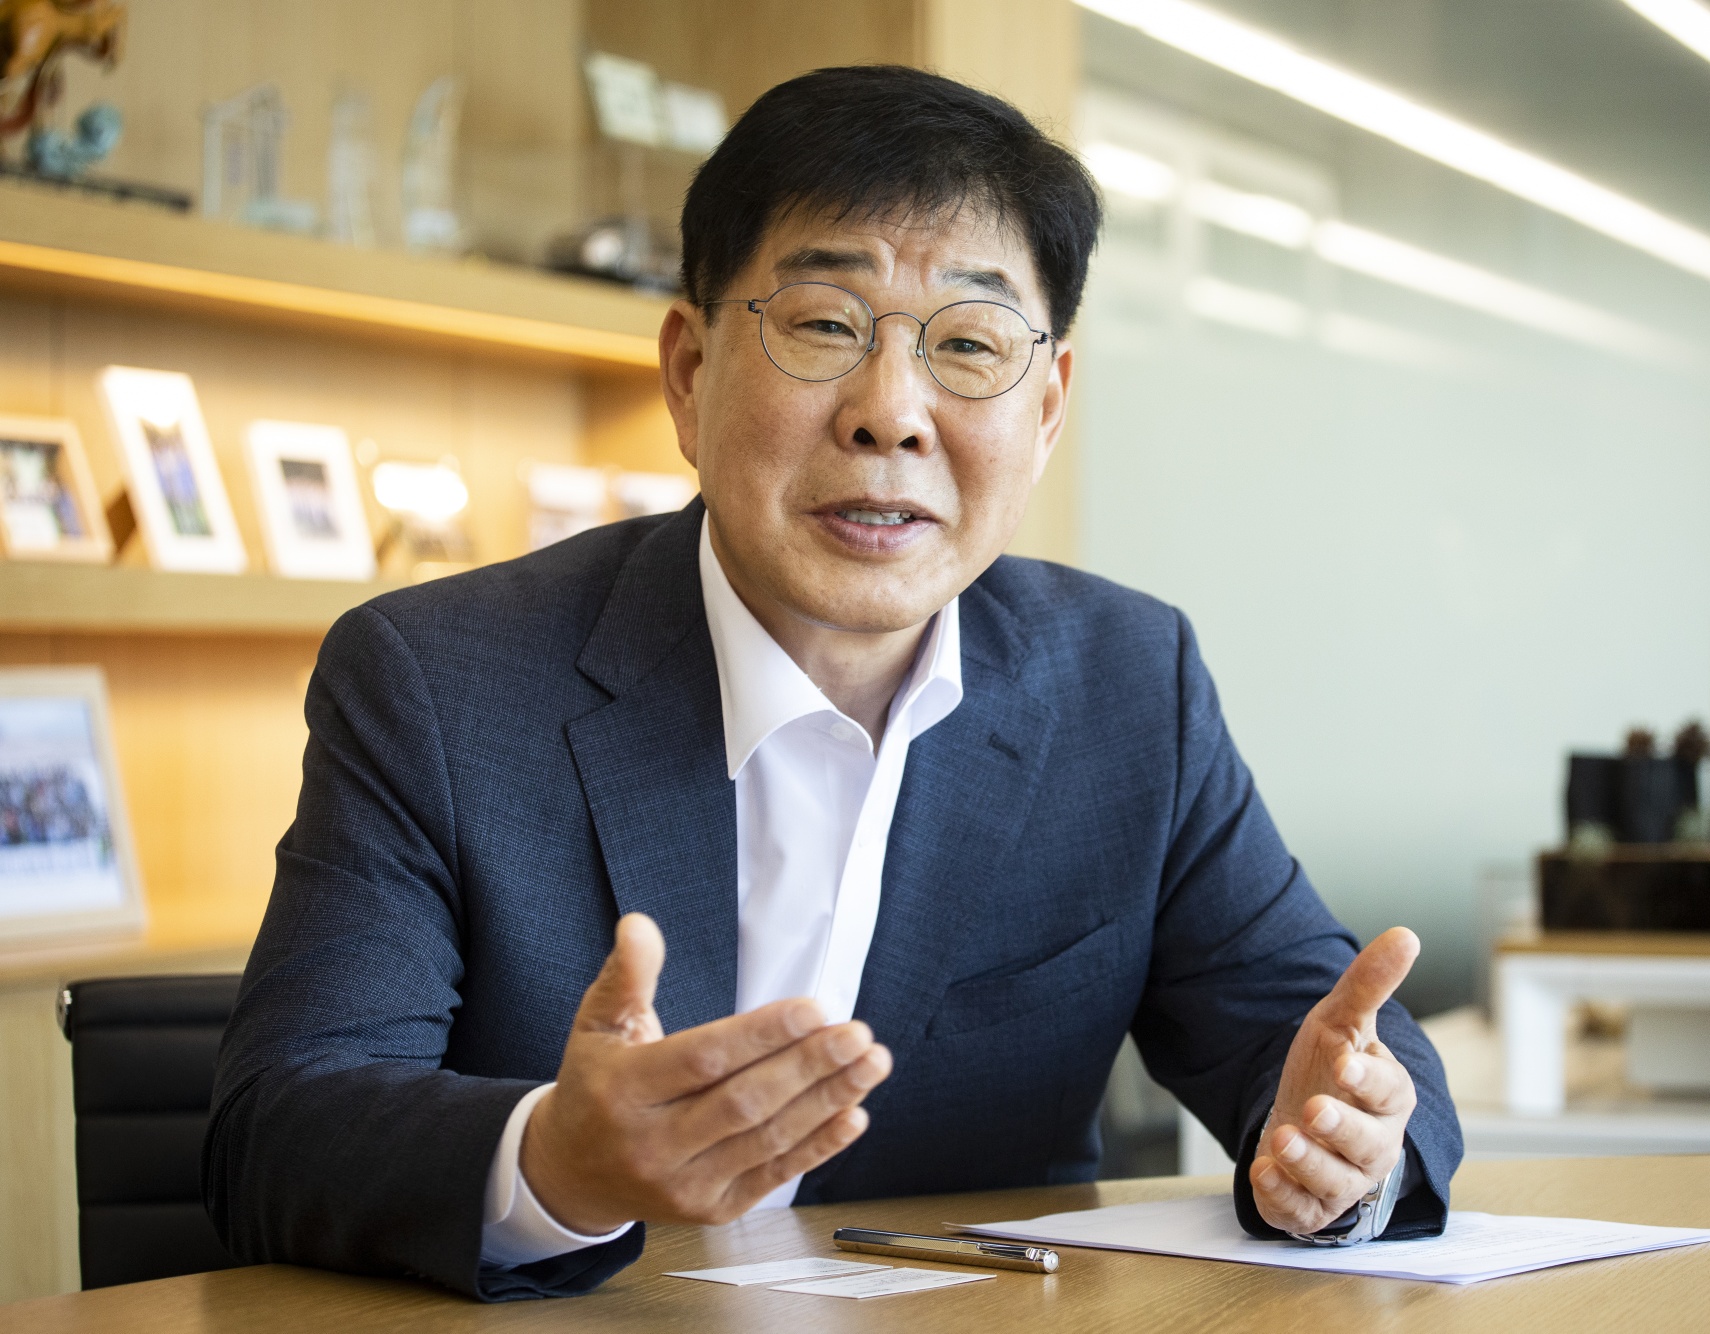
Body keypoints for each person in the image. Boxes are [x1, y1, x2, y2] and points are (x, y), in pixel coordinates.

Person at [204, 65, 1462, 1302]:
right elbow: (280, 1127)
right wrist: (554, 1164)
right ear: (689, 371)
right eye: (822, 325)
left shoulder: (1128, 683)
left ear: (1046, 408)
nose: (890, 414)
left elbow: (1313, 1029)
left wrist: (1348, 1136)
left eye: (967, 344)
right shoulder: (439, 680)